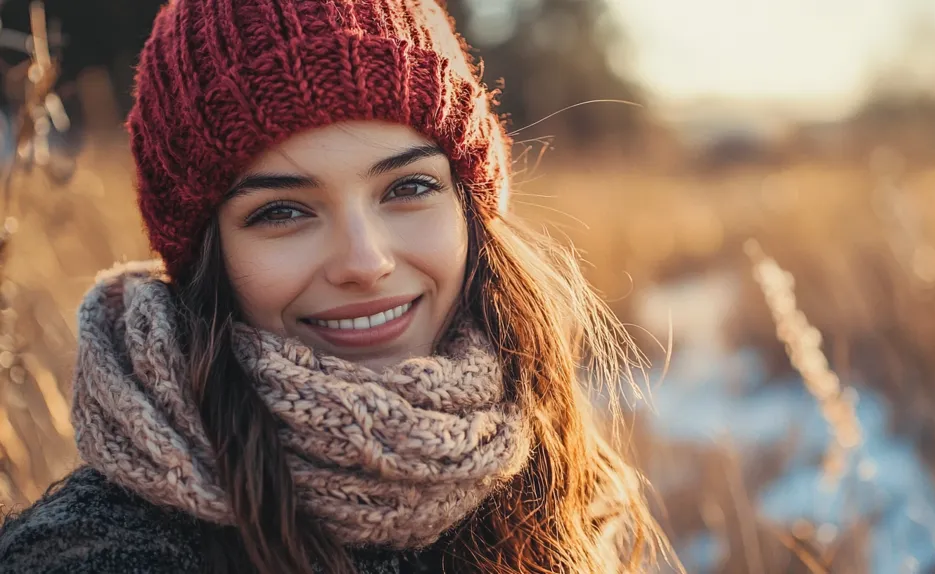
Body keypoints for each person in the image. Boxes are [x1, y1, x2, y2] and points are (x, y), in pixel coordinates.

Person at [0, 0, 675, 572]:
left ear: (469, 210)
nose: (365, 260)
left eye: (408, 188)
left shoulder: (549, 484)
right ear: (207, 256)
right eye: (282, 211)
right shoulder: (95, 551)